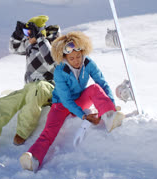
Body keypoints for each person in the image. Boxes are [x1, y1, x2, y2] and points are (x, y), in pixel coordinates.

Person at [19, 31, 125, 171]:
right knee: (49, 131)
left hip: (80, 100)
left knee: (95, 88)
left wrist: (110, 104)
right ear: (64, 57)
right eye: (72, 58)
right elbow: (67, 100)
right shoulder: (59, 71)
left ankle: (110, 118)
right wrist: (83, 115)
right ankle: (33, 158)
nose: (76, 61)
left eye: (78, 56)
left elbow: (102, 83)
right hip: (61, 105)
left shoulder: (88, 63)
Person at [0, 15, 60, 153]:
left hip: (47, 87)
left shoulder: (52, 44)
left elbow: (51, 60)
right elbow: (13, 48)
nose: (27, 37)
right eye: (25, 33)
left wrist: (40, 38)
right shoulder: (30, 45)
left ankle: (22, 132)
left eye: (29, 33)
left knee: (36, 91)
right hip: (30, 87)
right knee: (1, 104)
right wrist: (17, 34)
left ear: (38, 32)